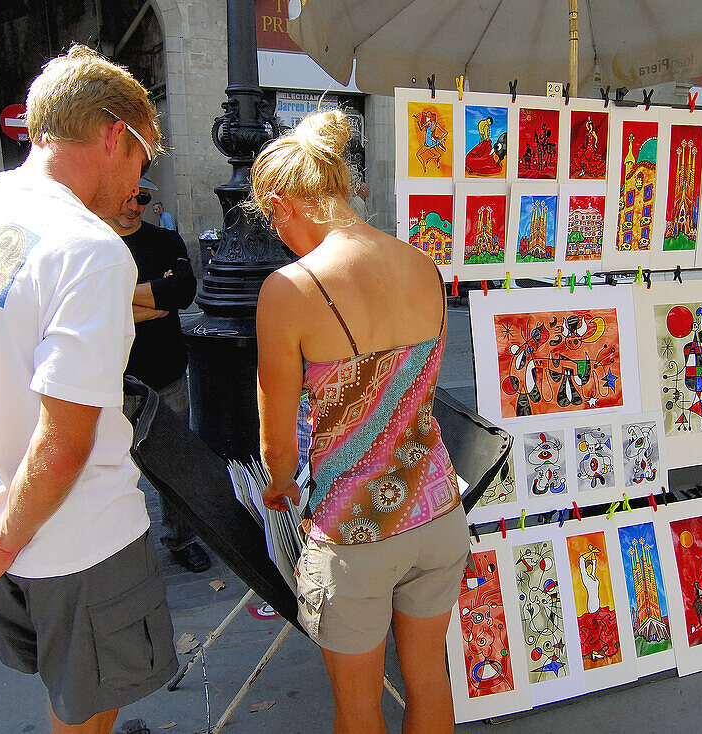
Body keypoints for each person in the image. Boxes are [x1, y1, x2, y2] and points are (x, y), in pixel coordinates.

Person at [0, 45, 177, 733]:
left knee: (66, 700)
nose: (137, 187)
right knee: (85, 715)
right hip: (77, 537)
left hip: (7, 523)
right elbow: (67, 436)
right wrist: (2, 535)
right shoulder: (87, 248)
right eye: (142, 160)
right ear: (115, 133)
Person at [250, 109, 469, 734]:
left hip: (354, 533)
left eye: (273, 219)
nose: (276, 235)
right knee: (429, 678)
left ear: (288, 200)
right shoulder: (421, 263)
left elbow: (276, 432)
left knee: (357, 707)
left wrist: (279, 484)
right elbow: (417, 392)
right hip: (437, 510)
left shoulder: (289, 289)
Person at [106, 181, 209, 574]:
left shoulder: (166, 240)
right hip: (110, 380)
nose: (133, 205)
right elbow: (85, 306)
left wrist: (115, 298)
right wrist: (151, 298)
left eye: (142, 198)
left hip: (166, 374)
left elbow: (180, 294)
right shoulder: (94, 244)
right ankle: (120, 546)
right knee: (111, 468)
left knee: (174, 465)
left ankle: (181, 537)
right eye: (126, 196)